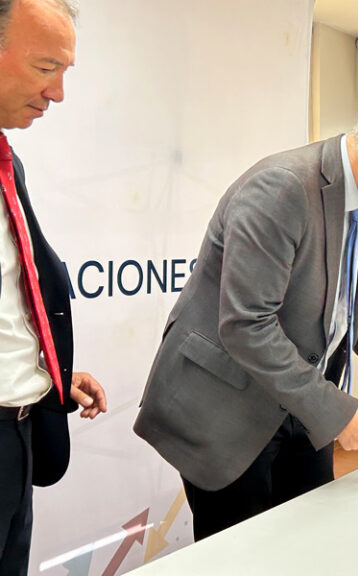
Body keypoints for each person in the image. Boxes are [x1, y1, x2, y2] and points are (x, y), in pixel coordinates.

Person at [134, 84, 358, 541]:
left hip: (295, 403)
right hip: (227, 409)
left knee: (305, 543)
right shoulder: (282, 187)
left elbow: (343, 306)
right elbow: (247, 324)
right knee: (242, 557)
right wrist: (338, 414)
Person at [0, 1, 107, 573]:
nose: (58, 93)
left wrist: (45, 377)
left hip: (18, 437)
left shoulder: (7, 162)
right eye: (46, 68)